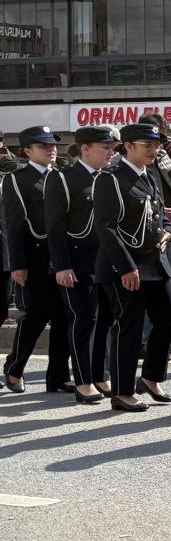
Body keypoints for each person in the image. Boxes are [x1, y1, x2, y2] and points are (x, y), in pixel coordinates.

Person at [92, 120, 171, 413]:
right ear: (127, 147)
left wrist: (168, 232)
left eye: (156, 145)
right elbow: (106, 227)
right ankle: (123, 391)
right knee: (128, 327)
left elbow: (162, 217)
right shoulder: (111, 178)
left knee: (169, 318)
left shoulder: (150, 176)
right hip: (124, 266)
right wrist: (127, 267)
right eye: (148, 145)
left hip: (155, 262)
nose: (154, 150)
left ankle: (152, 377)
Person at [46, 125, 119, 404]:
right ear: (85, 149)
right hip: (76, 261)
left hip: (106, 261)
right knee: (84, 318)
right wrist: (61, 265)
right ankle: (83, 380)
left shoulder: (109, 178)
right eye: (106, 147)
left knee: (106, 320)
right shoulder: (64, 179)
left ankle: (101, 374)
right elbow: (54, 226)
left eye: (113, 147)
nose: (111, 153)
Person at [3, 125, 73, 396]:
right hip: (34, 258)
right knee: (34, 317)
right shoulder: (17, 180)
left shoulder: (62, 176)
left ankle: (57, 376)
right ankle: (14, 368)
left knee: (64, 317)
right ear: (27, 151)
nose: (51, 149)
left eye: (52, 144)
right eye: (43, 145)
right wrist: (17, 264)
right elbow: (13, 225)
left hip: (63, 256)